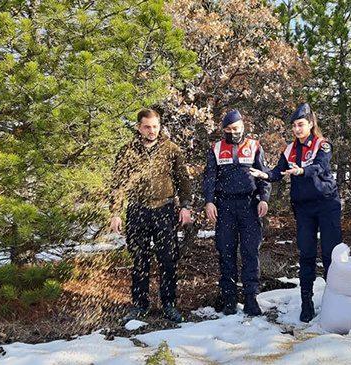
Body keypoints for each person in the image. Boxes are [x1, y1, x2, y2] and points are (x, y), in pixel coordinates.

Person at [250, 103, 342, 323]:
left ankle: (335, 302)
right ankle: (306, 302)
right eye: (294, 126)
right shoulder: (289, 149)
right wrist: (263, 175)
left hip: (327, 204)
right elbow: (278, 172)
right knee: (306, 254)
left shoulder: (323, 144)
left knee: (331, 255)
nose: (297, 129)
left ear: (310, 124)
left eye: (301, 124)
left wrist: (302, 170)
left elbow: (321, 166)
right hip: (304, 208)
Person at [109, 108, 192, 323]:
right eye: (147, 127)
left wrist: (185, 206)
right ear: (139, 127)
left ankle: (169, 304)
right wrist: (115, 213)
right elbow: (118, 184)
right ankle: (140, 305)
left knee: (168, 260)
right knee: (139, 260)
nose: (152, 131)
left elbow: (183, 181)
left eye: (155, 126)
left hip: (164, 210)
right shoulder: (128, 151)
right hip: (138, 210)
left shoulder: (171, 149)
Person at [203, 110, 271, 316]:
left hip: (249, 205)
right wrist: (209, 202)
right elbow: (209, 178)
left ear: (243, 127)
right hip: (224, 207)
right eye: (229, 129)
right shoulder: (216, 148)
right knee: (226, 252)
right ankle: (229, 299)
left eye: (237, 128)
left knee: (250, 252)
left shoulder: (254, 146)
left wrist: (264, 199)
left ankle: (251, 298)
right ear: (224, 130)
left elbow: (264, 175)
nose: (234, 132)